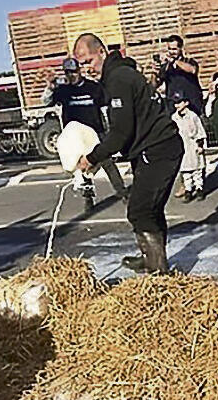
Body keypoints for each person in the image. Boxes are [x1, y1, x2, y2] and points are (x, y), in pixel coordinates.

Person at [74, 33, 182, 276]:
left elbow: (121, 132)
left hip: (159, 148)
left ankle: (158, 271)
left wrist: (91, 158)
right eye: (81, 64)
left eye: (89, 61)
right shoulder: (117, 76)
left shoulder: (119, 79)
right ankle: (151, 258)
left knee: (140, 210)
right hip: (148, 148)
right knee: (150, 209)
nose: (86, 68)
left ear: (101, 52)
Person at [42, 58, 129, 211]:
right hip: (76, 136)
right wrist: (50, 87)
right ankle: (88, 197)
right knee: (81, 167)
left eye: (74, 72)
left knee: (107, 162)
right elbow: (46, 101)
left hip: (95, 131)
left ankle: (122, 193)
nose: (72, 76)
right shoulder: (63, 90)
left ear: (79, 71)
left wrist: (109, 129)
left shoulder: (93, 87)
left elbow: (106, 104)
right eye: (68, 73)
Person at [171, 91, 206, 203]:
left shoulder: (192, 116)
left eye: (180, 102)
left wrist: (200, 145)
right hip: (182, 147)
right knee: (185, 171)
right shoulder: (174, 118)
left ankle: (199, 188)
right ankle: (188, 190)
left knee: (196, 170)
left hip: (193, 145)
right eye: (175, 103)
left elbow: (199, 131)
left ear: (186, 103)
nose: (177, 105)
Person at [156, 34, 203, 115]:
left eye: (174, 49)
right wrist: (155, 71)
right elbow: (156, 83)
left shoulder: (189, 61)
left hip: (192, 106)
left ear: (180, 49)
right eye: (169, 49)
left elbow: (192, 70)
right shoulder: (166, 66)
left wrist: (174, 61)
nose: (171, 52)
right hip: (173, 107)